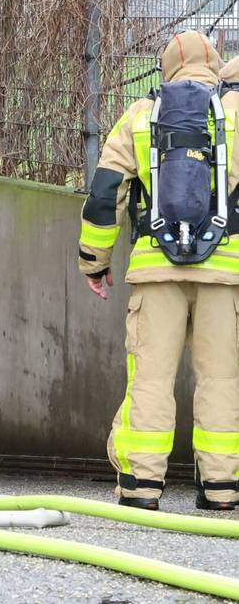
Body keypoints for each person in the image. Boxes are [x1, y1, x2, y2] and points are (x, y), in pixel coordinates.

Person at [78, 30, 239, 511]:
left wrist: (94, 261)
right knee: (222, 380)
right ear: (214, 65)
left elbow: (106, 194)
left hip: (156, 273)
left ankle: (141, 487)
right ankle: (222, 489)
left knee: (149, 379)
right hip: (225, 273)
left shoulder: (140, 115)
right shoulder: (233, 114)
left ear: (166, 67)